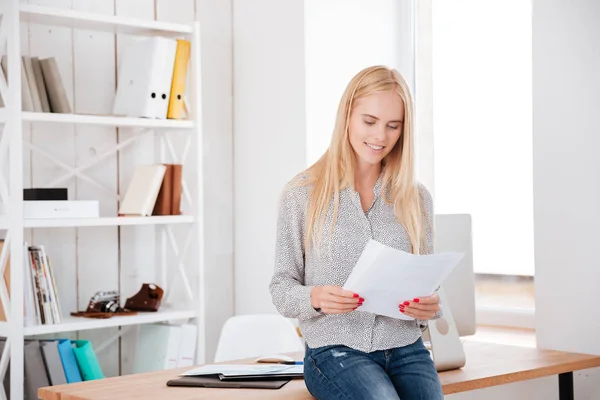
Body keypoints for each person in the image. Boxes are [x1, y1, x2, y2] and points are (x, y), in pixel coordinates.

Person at [269, 65, 444, 400]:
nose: (380, 136)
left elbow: (429, 285)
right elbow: (281, 289)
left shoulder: (416, 198)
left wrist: (429, 307)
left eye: (393, 126)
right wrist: (316, 297)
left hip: (407, 347)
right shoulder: (301, 194)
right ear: (347, 115)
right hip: (335, 351)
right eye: (370, 121)